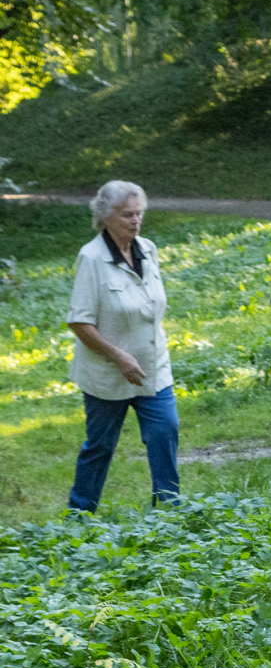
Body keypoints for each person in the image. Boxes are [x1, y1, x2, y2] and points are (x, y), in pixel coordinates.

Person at [65, 180, 181, 512]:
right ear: (105, 216)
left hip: (152, 366)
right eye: (127, 214)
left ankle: (169, 511)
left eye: (138, 213)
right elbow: (79, 321)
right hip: (107, 373)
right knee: (100, 446)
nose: (135, 220)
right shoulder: (91, 258)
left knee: (165, 432)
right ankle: (80, 514)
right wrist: (118, 357)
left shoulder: (148, 248)